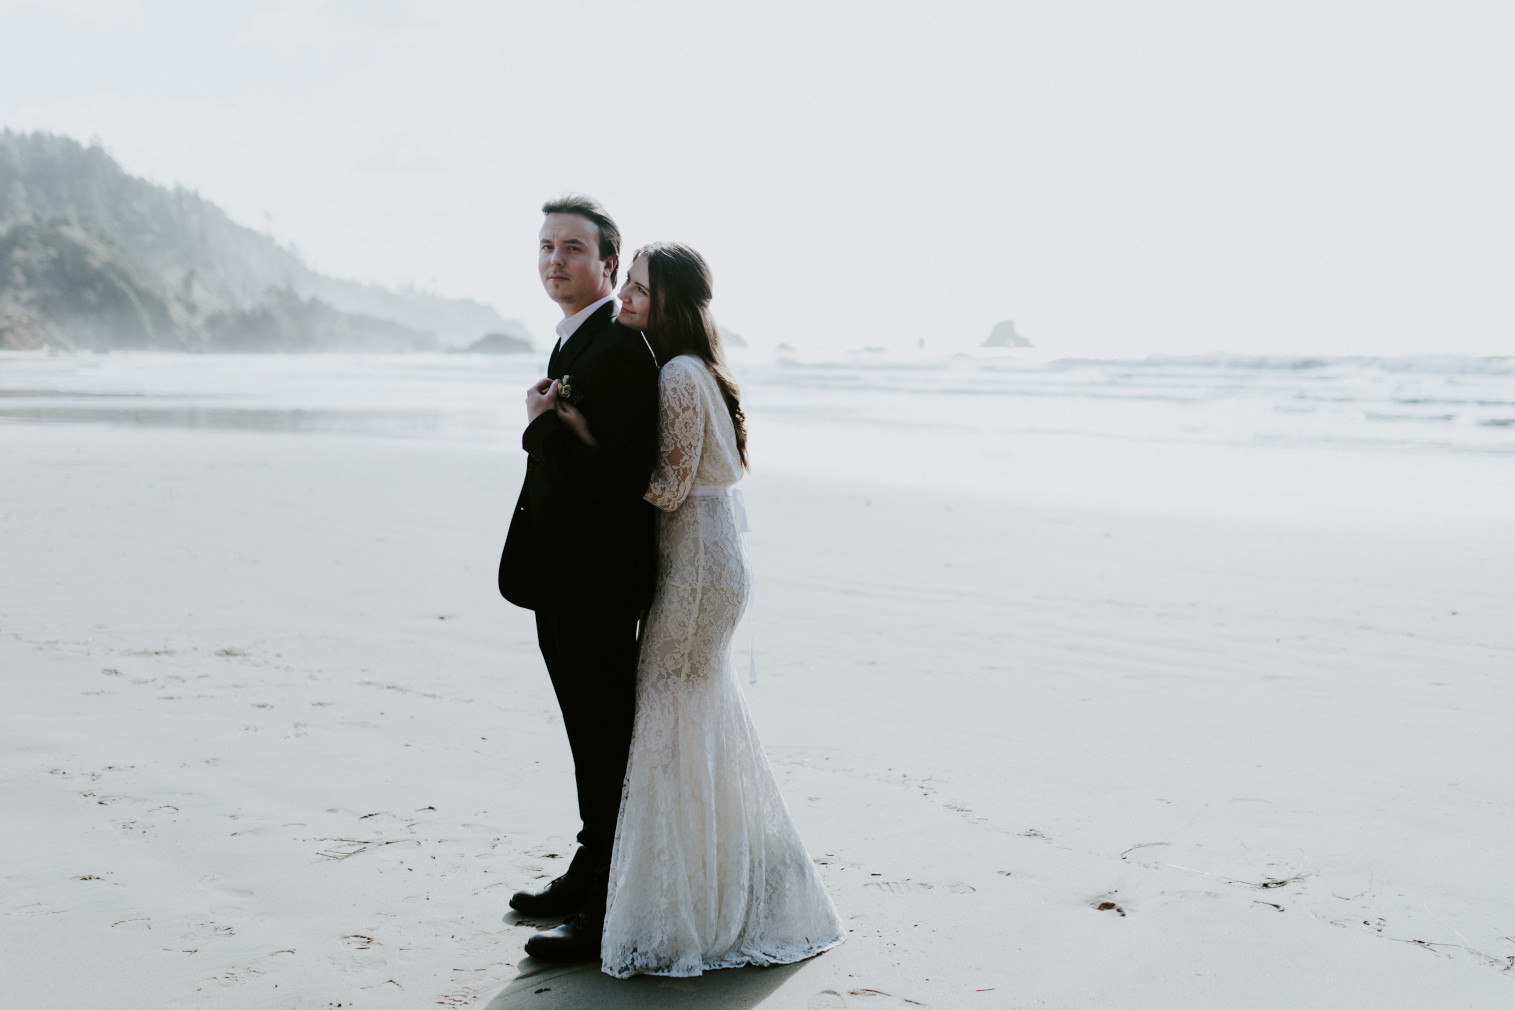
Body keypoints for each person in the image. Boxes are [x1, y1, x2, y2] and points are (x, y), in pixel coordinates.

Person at [552, 241, 846, 977]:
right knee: (697, 715)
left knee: (665, 717)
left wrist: (581, 435)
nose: (626, 298)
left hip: (695, 570)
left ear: (672, 304)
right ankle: (730, 876)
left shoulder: (679, 374)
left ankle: (686, 901)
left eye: (641, 291)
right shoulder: (699, 370)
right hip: (710, 560)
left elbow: (666, 488)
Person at [497, 196, 660, 961]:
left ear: (606, 264)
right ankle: (588, 869)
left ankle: (603, 907)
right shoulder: (576, 344)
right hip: (559, 575)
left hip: (594, 581)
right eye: (544, 246)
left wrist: (539, 432)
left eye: (571, 247)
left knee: (604, 742)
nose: (553, 259)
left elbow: (625, 480)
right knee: (584, 737)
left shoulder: (619, 351)